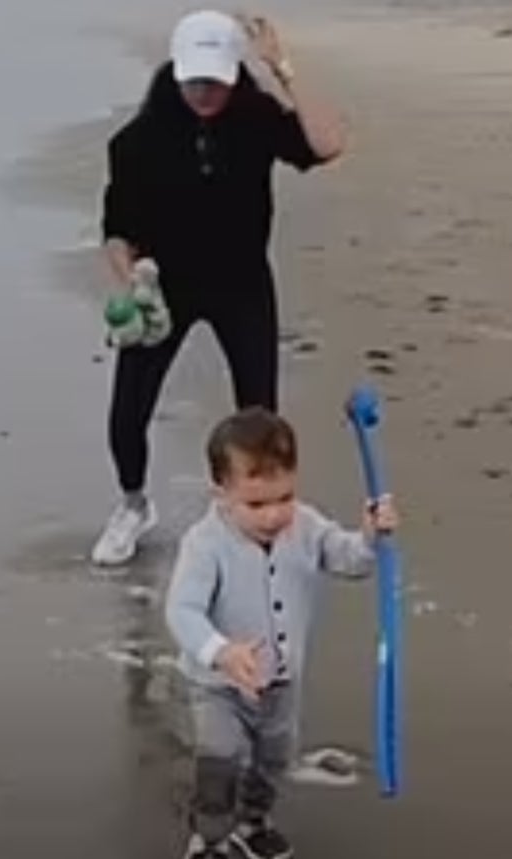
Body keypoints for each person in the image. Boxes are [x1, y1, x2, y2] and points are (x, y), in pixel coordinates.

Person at [91, 9, 346, 567]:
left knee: (260, 416)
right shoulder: (135, 142)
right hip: (166, 289)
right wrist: (132, 283)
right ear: (176, 71)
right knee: (128, 412)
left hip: (242, 283)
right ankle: (133, 505)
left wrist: (284, 69)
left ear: (235, 72)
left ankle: (257, 514)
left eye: (216, 79)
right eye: (194, 79)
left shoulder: (256, 120)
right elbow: (117, 231)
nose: (204, 91)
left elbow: (327, 144)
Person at [165, 407, 398, 858]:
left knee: (273, 761)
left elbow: (349, 560)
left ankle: (254, 823)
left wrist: (370, 538)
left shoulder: (306, 526)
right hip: (218, 684)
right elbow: (183, 610)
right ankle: (210, 838)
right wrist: (222, 652)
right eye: (256, 504)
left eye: (284, 497)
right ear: (221, 493)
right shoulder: (205, 544)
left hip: (281, 681)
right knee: (220, 759)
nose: (274, 515)